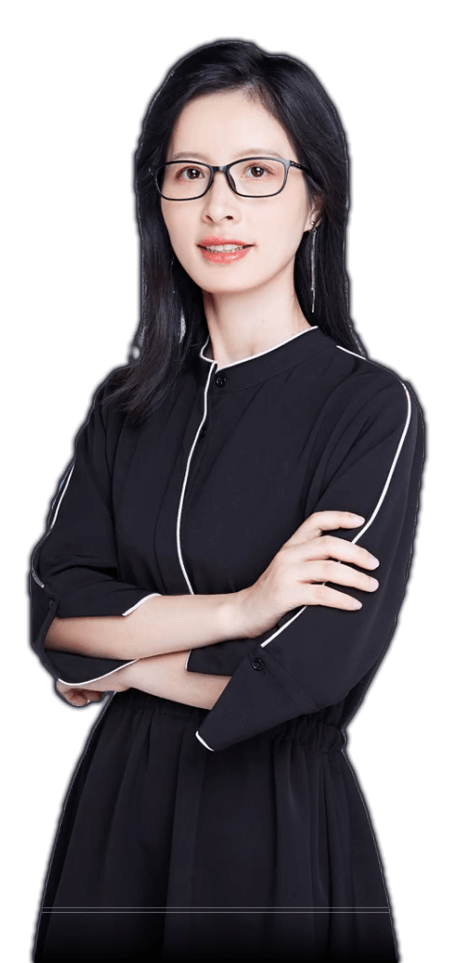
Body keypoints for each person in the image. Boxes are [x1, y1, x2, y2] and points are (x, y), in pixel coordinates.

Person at [29, 39, 426, 961]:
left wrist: (120, 666)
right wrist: (241, 610)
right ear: (157, 198)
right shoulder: (121, 403)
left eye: (255, 171)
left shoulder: (369, 406)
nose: (218, 205)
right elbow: (53, 611)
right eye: (189, 173)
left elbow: (306, 673)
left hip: (272, 819)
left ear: (316, 198)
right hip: (114, 817)